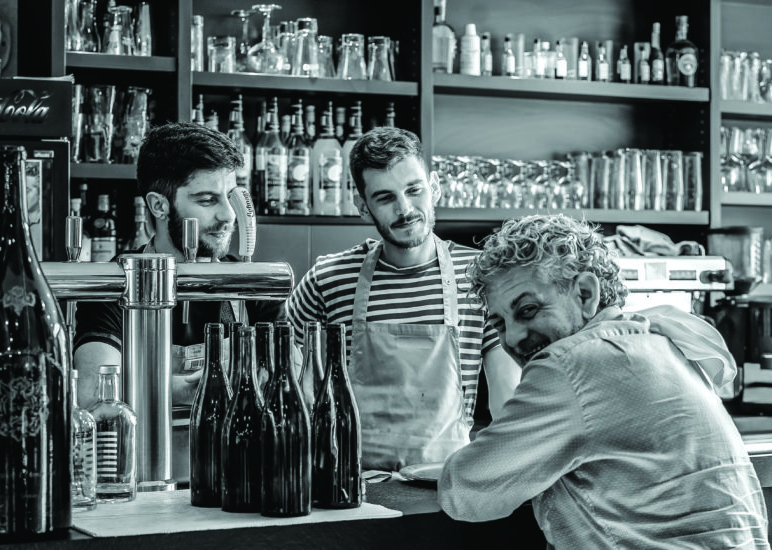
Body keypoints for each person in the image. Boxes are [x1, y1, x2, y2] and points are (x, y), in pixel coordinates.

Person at [438, 214, 770, 549]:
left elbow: (464, 491)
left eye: (528, 310)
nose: (512, 337)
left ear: (585, 294)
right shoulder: (660, 340)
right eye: (498, 323)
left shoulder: (570, 362)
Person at [286, 126, 521, 470]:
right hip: (352, 483)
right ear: (362, 207)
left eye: (414, 190)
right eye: (385, 198)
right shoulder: (327, 280)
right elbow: (287, 385)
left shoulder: (480, 276)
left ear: (435, 187)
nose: (405, 209)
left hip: (447, 483)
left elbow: (508, 400)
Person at [73, 122, 285, 408]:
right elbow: (92, 388)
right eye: (207, 200)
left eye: (230, 197)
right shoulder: (116, 284)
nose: (228, 215)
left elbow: (290, 378)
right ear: (159, 206)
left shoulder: (251, 284)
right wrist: (183, 390)